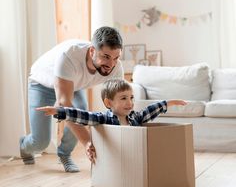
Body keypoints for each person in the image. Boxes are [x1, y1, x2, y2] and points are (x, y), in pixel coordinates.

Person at [20, 26, 124, 172]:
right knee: (41, 142)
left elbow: (119, 103)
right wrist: (88, 142)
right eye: (106, 57)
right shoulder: (69, 56)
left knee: (80, 113)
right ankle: (24, 145)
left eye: (116, 57)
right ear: (92, 50)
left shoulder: (116, 67)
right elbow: (64, 105)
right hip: (42, 85)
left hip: (72, 84)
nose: (111, 65)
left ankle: (64, 154)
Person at [36, 79, 187, 159]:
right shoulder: (102, 119)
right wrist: (59, 111)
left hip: (133, 156)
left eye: (131, 98)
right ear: (109, 103)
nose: (130, 103)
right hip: (114, 158)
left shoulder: (135, 118)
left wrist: (168, 103)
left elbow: (149, 111)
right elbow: (82, 115)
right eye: (123, 98)